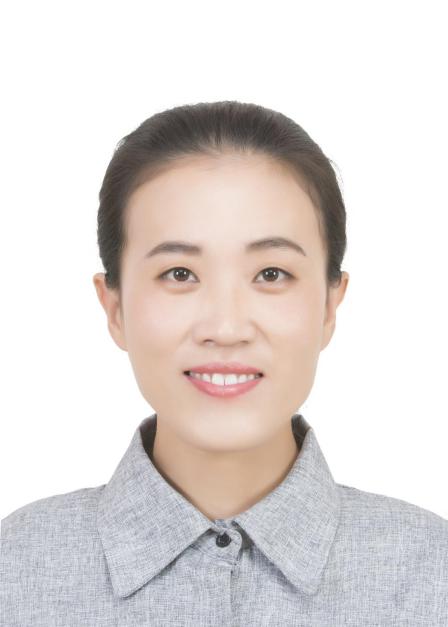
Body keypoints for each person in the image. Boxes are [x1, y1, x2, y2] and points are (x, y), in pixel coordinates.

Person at [1, 101, 447, 626]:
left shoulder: (430, 575)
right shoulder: (16, 572)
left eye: (272, 274)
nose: (227, 327)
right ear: (114, 308)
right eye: (179, 274)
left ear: (330, 305)